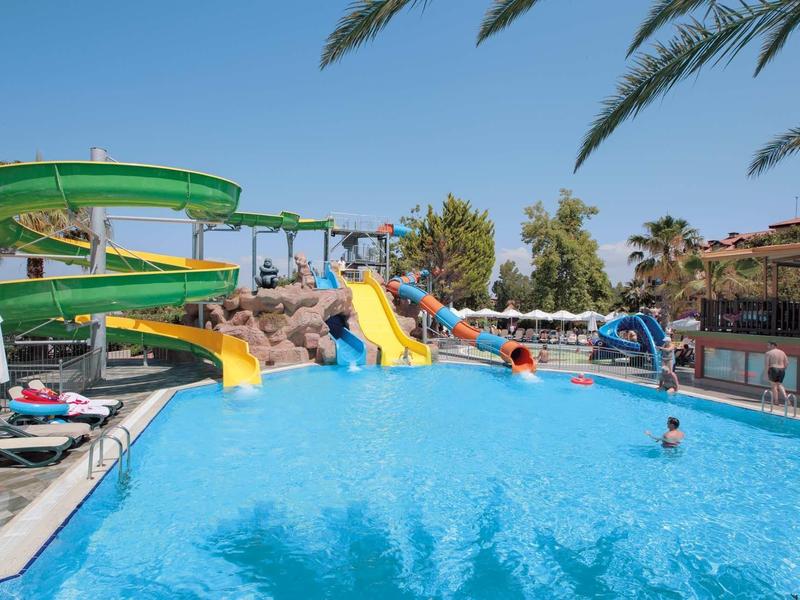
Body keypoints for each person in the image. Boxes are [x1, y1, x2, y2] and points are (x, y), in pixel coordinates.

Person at [765, 341, 789, 405]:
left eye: (768, 345)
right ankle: (786, 399)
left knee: (773, 386)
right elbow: (787, 363)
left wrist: (766, 374)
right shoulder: (782, 352)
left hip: (773, 369)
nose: (767, 347)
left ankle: (776, 401)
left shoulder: (768, 353)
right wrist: (783, 369)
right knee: (780, 384)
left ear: (773, 345)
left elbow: (767, 365)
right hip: (782, 369)